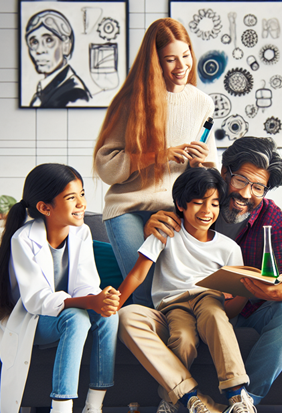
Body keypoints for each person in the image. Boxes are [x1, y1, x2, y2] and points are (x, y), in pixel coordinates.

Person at [141, 137, 282, 413]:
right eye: (241, 180)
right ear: (224, 172)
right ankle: (183, 402)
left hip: (247, 311)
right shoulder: (200, 200)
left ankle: (243, 407)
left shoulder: (271, 217)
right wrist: (150, 226)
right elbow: (156, 244)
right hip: (190, 307)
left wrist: (278, 290)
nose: (246, 193)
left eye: (258, 187)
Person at [116, 167, 269, 413]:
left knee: (212, 308)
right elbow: (138, 274)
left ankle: (239, 403)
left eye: (213, 203)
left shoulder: (229, 248)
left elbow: (230, 310)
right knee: (162, 332)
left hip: (210, 302)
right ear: (181, 204)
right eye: (198, 202)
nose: (206, 211)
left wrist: (236, 294)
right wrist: (112, 308)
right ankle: (195, 402)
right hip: (172, 308)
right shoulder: (165, 233)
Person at [0, 164, 123, 413]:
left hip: (62, 314)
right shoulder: (23, 240)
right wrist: (89, 302)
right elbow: (37, 300)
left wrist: (100, 299)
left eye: (82, 194)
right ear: (45, 207)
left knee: (108, 316)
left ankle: (92, 412)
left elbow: (86, 284)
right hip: (33, 322)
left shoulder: (82, 233)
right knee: (75, 317)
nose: (82, 203)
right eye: (72, 197)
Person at [93, 17, 217, 309]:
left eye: (185, 55)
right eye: (170, 59)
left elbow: (209, 170)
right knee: (145, 290)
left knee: (170, 290)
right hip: (127, 208)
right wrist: (159, 155)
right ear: (155, 63)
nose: (181, 66)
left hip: (172, 209)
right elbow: (106, 166)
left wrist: (201, 164)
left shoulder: (202, 102)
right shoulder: (130, 102)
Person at [25, 10, 91, 107]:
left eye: (49, 40)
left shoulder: (75, 95)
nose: (39, 50)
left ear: (66, 46)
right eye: (34, 42)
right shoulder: (44, 91)